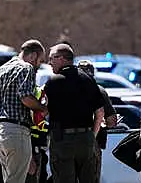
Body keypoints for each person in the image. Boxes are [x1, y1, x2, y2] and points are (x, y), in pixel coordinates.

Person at [0, 39, 47, 183]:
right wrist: (43, 108)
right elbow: (25, 97)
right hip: (16, 131)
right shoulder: (26, 67)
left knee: (9, 178)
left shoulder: (1, 69)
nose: (39, 65)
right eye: (40, 60)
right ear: (33, 56)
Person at [44, 43, 104, 183]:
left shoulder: (54, 81)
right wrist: (91, 136)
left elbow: (44, 109)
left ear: (62, 58)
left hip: (63, 141)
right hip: (86, 139)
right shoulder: (88, 79)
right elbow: (100, 112)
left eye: (52, 58)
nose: (49, 62)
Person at [77, 59, 119, 183]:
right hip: (92, 141)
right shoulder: (99, 91)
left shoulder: (66, 89)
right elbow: (111, 121)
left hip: (68, 139)